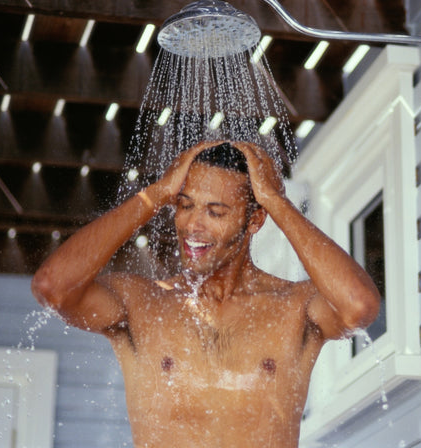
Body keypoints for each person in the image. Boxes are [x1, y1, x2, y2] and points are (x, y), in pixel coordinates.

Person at [32, 141, 380, 448]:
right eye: (184, 205)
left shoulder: (294, 306)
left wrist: (276, 201)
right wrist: (155, 194)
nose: (192, 226)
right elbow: (54, 288)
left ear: (255, 220)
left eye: (215, 212)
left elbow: (359, 306)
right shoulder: (143, 304)